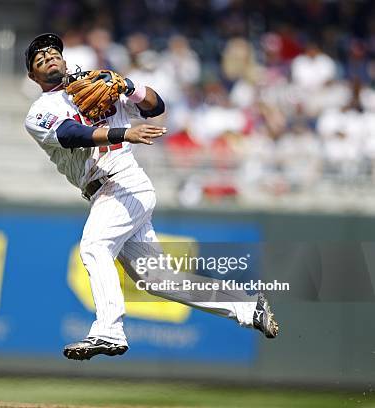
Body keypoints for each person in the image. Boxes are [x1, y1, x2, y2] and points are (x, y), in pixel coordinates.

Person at [23, 33, 279, 361]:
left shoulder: (98, 82)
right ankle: (246, 307)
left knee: (94, 246)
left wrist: (129, 86)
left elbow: (155, 106)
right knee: (159, 280)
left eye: (51, 51)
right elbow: (71, 135)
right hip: (106, 190)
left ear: (62, 55)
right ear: (32, 75)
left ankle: (108, 331)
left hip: (122, 182)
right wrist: (123, 131)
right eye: (38, 57)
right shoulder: (39, 112)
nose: (47, 55)